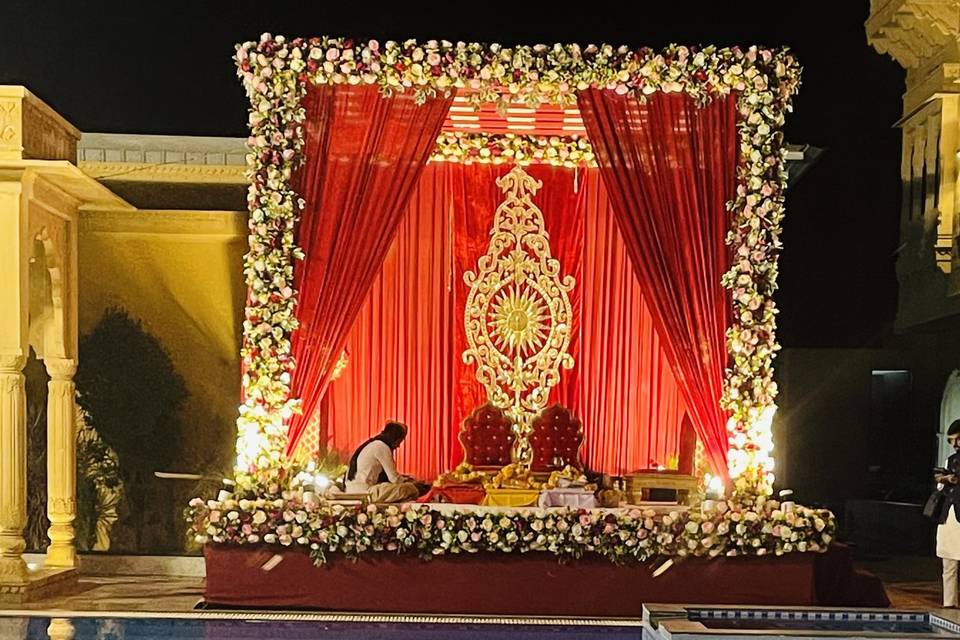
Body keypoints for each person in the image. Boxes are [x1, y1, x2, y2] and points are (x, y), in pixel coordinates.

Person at [344, 421, 418, 503]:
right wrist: (410, 481)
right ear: (394, 438)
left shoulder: (372, 445)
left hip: (350, 490)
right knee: (410, 488)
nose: (398, 446)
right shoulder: (382, 447)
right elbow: (394, 479)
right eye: (399, 441)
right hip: (366, 493)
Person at [936, 419, 960, 607]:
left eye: (958, 439)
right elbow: (940, 487)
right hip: (949, 513)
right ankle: (949, 604)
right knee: (949, 564)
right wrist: (944, 478)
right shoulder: (951, 460)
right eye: (952, 440)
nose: (955, 445)